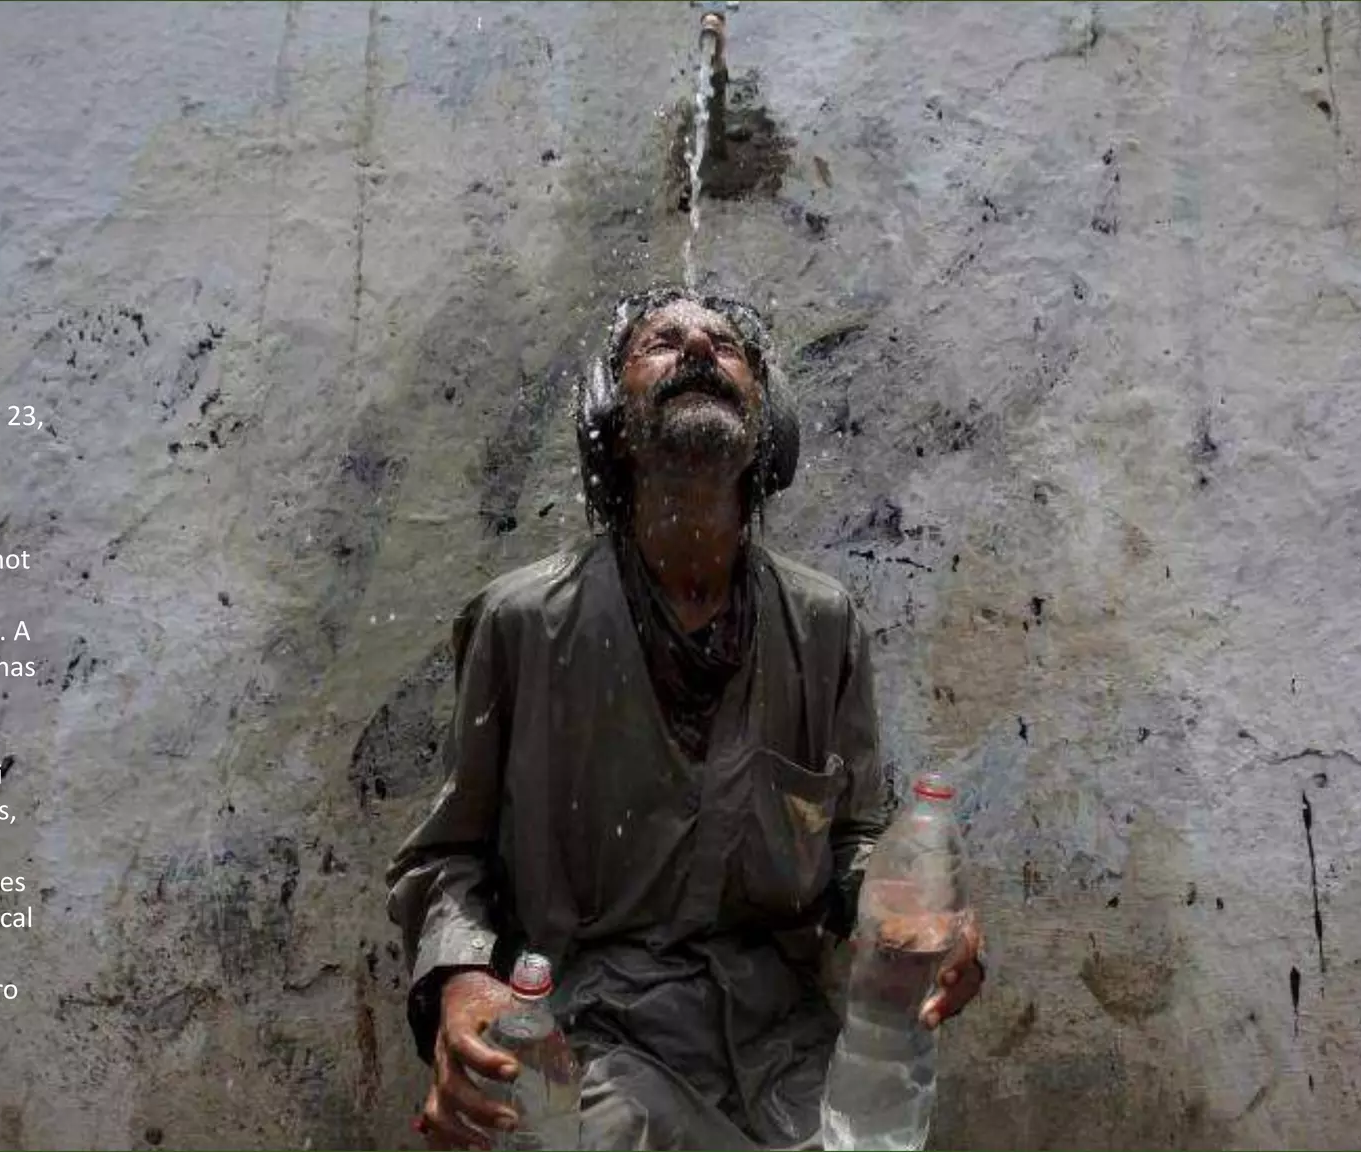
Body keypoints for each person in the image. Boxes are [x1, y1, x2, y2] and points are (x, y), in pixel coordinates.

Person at [387, 289, 985, 1150]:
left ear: (768, 421)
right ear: (611, 419)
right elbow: (447, 856)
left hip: (782, 1045)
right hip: (590, 1036)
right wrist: (460, 980)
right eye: (661, 342)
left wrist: (911, 915)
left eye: (727, 345)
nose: (699, 350)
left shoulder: (822, 624)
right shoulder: (524, 623)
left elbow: (854, 839)